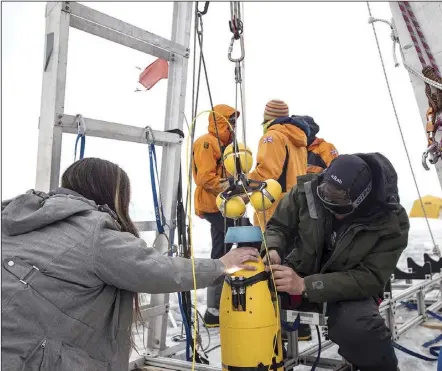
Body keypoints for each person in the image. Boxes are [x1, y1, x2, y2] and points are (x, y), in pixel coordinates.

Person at [1, 157, 260, 371]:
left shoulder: (15, 216)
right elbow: (157, 270)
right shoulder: (95, 232)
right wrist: (221, 265)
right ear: (112, 193)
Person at [263, 153, 409, 371]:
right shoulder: (306, 192)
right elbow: (278, 227)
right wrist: (273, 249)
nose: (330, 206)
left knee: (359, 328)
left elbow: (370, 277)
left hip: (351, 289)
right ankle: (269, 363)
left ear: (361, 199)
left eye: (339, 202)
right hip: (299, 272)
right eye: (326, 196)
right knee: (250, 298)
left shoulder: (391, 223)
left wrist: (306, 285)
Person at [192, 104, 258, 327]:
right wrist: (231, 185)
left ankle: (213, 311)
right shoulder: (207, 142)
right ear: (222, 122)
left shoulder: (229, 147)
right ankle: (251, 295)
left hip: (225, 204)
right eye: (231, 122)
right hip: (214, 205)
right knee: (249, 236)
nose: (234, 126)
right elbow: (205, 178)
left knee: (219, 251)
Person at [248, 99, 309, 230]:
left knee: (271, 246)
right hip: (295, 203)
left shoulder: (272, 137)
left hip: (275, 205)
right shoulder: (299, 140)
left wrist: (245, 181)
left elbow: (267, 174)